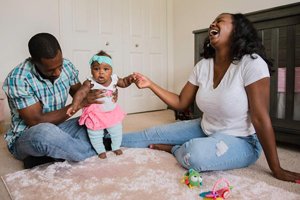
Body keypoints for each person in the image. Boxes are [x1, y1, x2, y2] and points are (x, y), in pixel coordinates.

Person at [121, 13, 300, 183]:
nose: (212, 24)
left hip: (242, 140)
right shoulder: (203, 66)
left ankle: (174, 148)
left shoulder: (252, 63)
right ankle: (102, 139)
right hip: (206, 127)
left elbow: (260, 118)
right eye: (213, 21)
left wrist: (277, 168)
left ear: (237, 31)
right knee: (151, 133)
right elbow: (180, 102)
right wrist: (150, 84)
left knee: (194, 154)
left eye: (220, 21)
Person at [2, 33, 115, 168]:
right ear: (33, 61)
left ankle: (48, 157)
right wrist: (80, 104)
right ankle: (99, 147)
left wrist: (106, 93)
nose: (57, 73)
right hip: (29, 136)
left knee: (103, 120)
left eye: (59, 66)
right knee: (45, 134)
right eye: (49, 70)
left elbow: (81, 96)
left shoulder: (67, 66)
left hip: (60, 129)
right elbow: (36, 121)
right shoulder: (18, 78)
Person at [66, 50, 135, 159]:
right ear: (91, 70)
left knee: (116, 130)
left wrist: (131, 79)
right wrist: (75, 104)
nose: (101, 72)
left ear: (111, 70)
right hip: (95, 114)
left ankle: (116, 146)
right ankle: (100, 150)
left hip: (111, 112)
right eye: (96, 69)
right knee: (95, 134)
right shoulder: (90, 82)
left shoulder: (114, 80)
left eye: (105, 69)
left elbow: (125, 82)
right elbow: (81, 92)